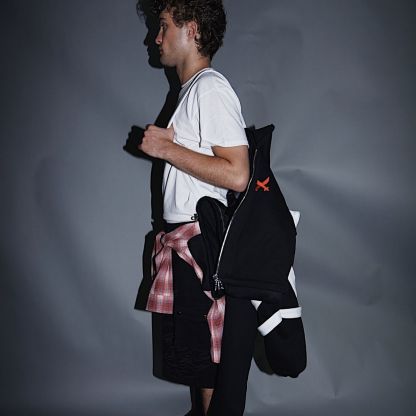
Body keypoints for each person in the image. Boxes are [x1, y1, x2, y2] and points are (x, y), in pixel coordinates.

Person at [137, 1, 253, 414]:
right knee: (199, 366)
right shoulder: (189, 92)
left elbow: (238, 173)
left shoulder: (209, 88)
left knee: (206, 364)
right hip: (186, 243)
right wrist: (173, 146)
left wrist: (167, 149)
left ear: (192, 29)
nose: (156, 38)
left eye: (164, 26)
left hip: (199, 245)